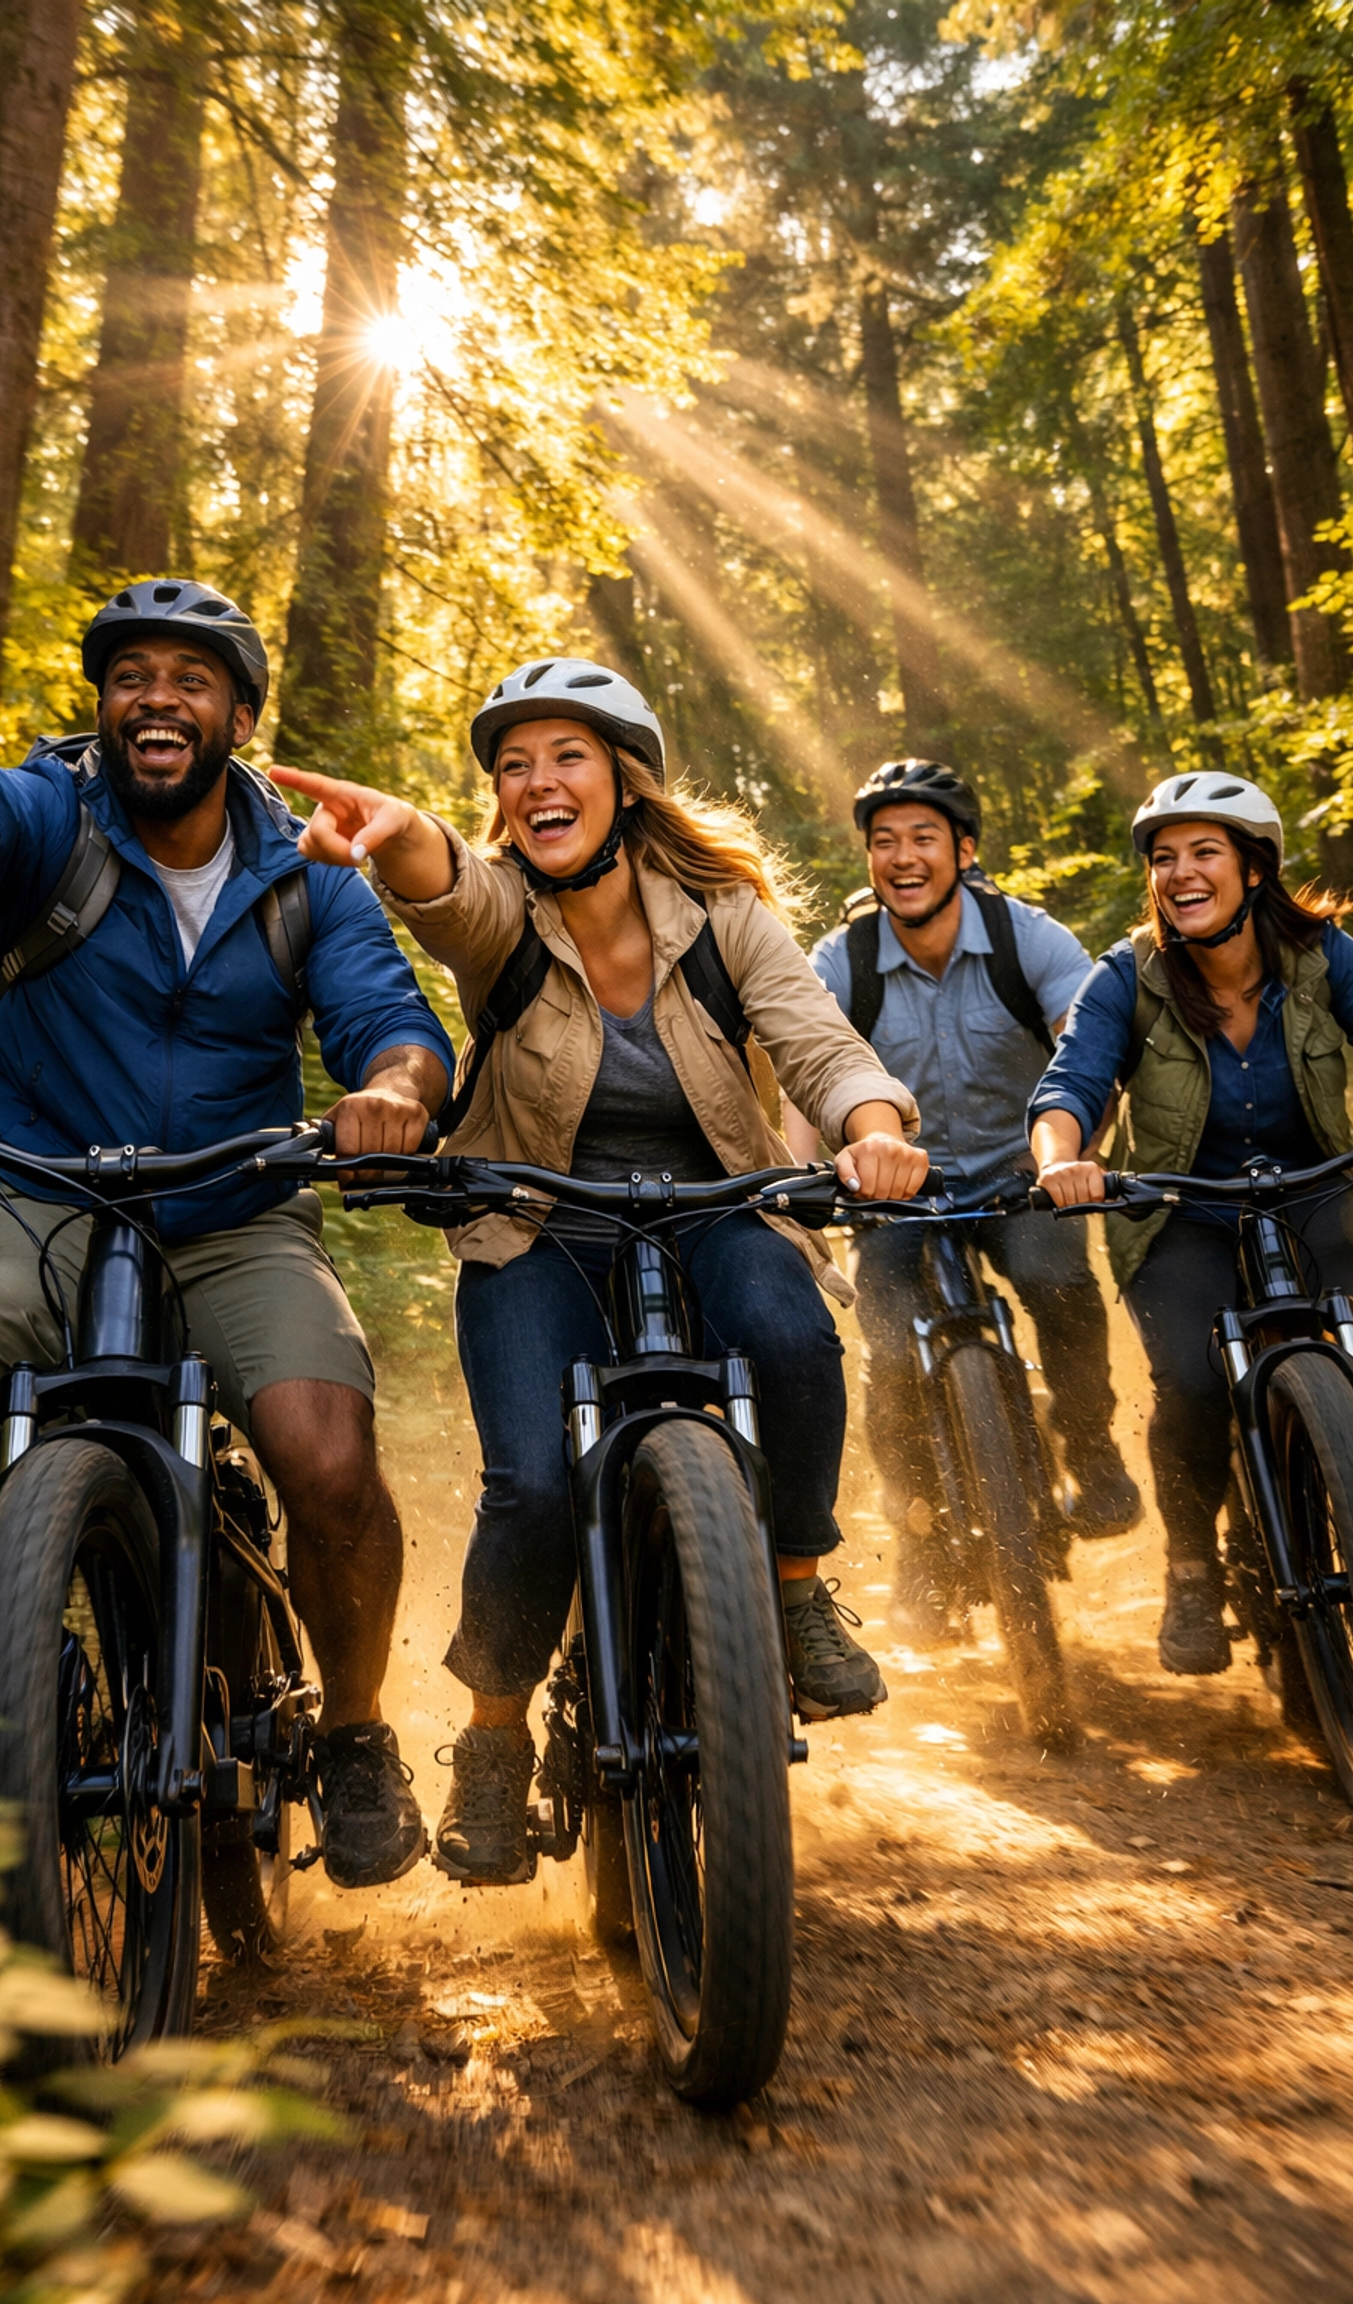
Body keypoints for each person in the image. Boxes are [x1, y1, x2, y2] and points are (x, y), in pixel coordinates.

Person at [0, 583, 456, 1888]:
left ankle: (354, 1736)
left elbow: (391, 1023)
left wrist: (394, 1093)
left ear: (239, 716)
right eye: (131, 676)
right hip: (48, 1193)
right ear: (106, 705)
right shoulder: (51, 821)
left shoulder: (306, 874)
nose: (156, 699)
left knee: (328, 1456)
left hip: (237, 1210)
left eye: (190, 678)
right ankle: (9, 1635)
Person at [271, 657, 930, 1885]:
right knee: (530, 1487)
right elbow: (443, 888)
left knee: (793, 1337)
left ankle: (794, 1592)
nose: (536, 784)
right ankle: (492, 1739)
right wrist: (396, 831)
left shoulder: (725, 916)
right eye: (513, 767)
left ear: (625, 780)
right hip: (537, 1225)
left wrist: (874, 1128)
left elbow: (820, 1042)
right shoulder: (506, 915)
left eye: (565, 757)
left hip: (713, 1207)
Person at [783, 757, 1139, 1642]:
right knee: (892, 1367)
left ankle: (1090, 1445)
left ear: (965, 851)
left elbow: (1092, 1052)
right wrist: (795, 1185)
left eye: (924, 838)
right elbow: (800, 1077)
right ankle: (920, 1544)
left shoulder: (1028, 939)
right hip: (892, 1196)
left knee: (1061, 1286)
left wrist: (1074, 1158)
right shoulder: (842, 961)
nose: (903, 857)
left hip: (1021, 1178)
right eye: (884, 841)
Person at [1030, 770, 1353, 1674]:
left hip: (1315, 1193)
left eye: (1204, 852)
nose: (1180, 872)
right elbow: (1071, 1084)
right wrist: (1061, 1160)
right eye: (1164, 857)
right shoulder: (1128, 974)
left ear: (1254, 869)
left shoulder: (1323, 958)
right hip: (1181, 1212)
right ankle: (1191, 1568)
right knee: (1191, 1380)